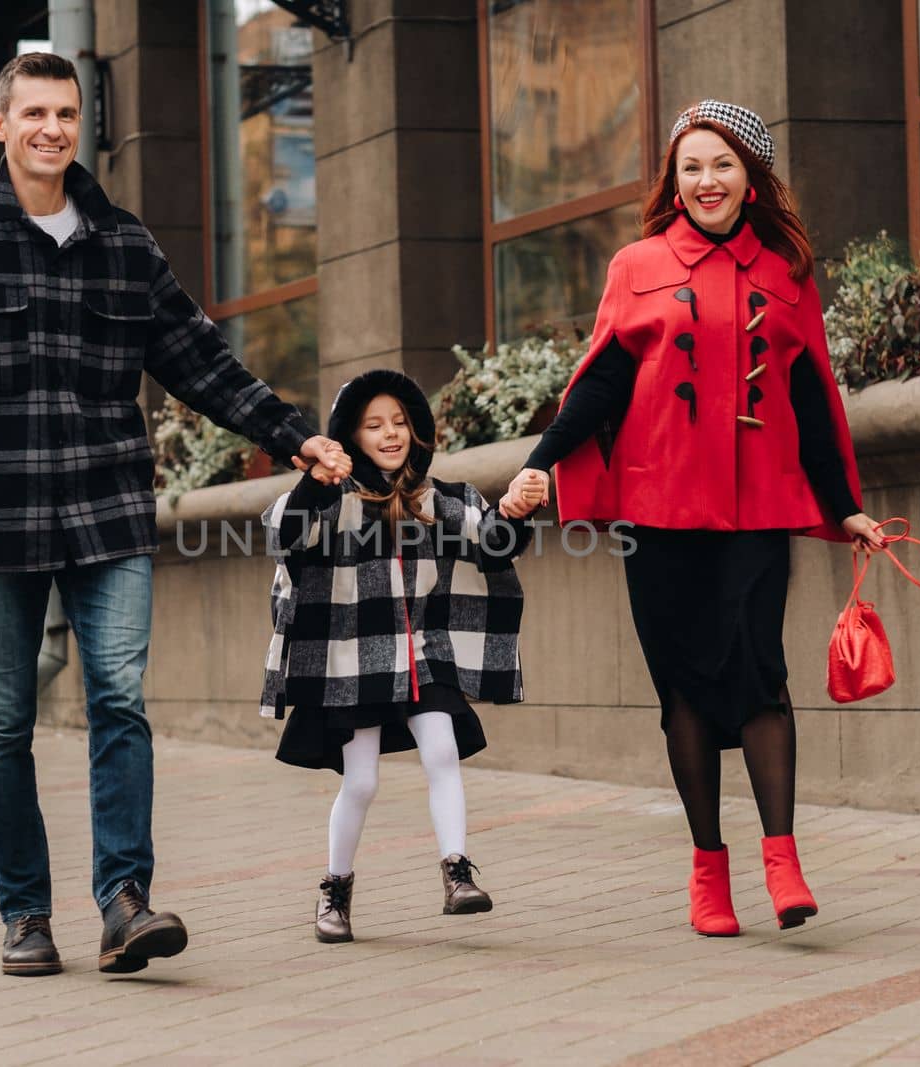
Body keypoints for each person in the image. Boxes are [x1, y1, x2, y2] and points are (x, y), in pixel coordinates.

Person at [0, 52, 351, 977]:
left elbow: (199, 360)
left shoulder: (123, 244)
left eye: (67, 114)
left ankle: (125, 901)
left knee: (119, 700)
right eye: (34, 113)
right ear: (0, 125)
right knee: (3, 722)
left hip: (105, 507)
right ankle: (25, 915)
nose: (52, 129)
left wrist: (295, 436)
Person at [502, 100, 886, 937]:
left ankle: (781, 858)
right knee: (681, 686)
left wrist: (845, 507)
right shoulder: (637, 263)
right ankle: (707, 869)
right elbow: (600, 381)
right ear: (674, 184)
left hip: (756, 510)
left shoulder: (788, 271)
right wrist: (539, 462)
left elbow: (813, 399)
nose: (705, 180)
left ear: (752, 180)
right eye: (690, 167)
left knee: (757, 667)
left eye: (721, 165)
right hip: (658, 508)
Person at [260, 369, 535, 942]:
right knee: (360, 783)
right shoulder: (329, 502)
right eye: (374, 425)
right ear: (351, 436)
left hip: (424, 655)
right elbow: (283, 536)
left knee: (442, 749)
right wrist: (314, 481)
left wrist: (514, 509)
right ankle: (334, 888)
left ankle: (457, 873)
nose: (391, 434)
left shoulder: (442, 500)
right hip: (354, 663)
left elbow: (494, 546)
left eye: (401, 422)